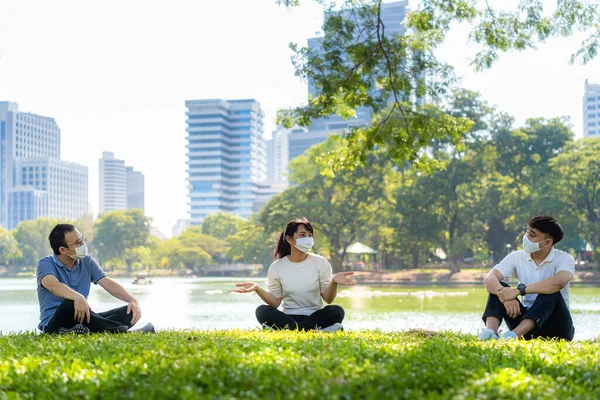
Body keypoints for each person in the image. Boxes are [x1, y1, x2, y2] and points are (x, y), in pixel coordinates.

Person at [234, 217, 356, 332]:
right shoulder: (277, 267)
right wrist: (258, 289)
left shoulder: (320, 262)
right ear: (290, 239)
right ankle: (316, 330)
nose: (308, 239)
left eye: (310, 235)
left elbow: (328, 299)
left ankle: (288, 330)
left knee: (336, 311)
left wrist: (334, 282)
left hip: (315, 316)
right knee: (262, 311)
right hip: (288, 317)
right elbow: (275, 302)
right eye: (302, 235)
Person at [36, 224, 155, 334]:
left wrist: (132, 299)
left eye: (82, 239)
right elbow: (53, 286)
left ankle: (77, 331)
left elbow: (106, 282)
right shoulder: (46, 263)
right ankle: (124, 332)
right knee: (70, 304)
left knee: (128, 312)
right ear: (63, 250)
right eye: (78, 243)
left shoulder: (86, 261)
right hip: (54, 322)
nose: (83, 244)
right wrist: (77, 297)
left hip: (81, 317)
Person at [478, 215, 575, 341]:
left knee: (551, 290)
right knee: (499, 287)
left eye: (532, 235)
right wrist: (506, 298)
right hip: (526, 327)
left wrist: (519, 290)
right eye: (527, 232)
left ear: (547, 242)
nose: (526, 238)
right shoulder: (517, 257)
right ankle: (491, 332)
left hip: (557, 328)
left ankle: (514, 335)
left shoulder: (564, 258)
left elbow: (560, 281)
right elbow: (489, 279)